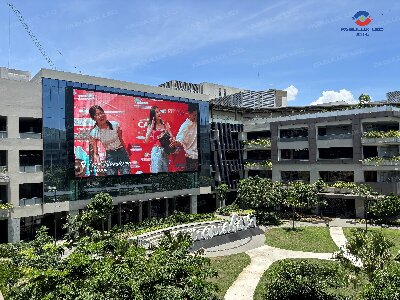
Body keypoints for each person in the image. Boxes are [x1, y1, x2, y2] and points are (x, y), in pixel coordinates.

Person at [89, 105, 131, 176]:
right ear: (94, 118)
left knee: (126, 178)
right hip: (110, 156)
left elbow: (121, 140)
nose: (101, 116)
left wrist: (126, 151)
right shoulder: (94, 133)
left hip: (122, 153)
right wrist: (99, 164)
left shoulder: (115, 125)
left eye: (102, 113)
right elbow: (95, 153)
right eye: (97, 114)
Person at [145, 106, 174, 173]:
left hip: (165, 150)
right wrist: (151, 128)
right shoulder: (150, 125)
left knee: (165, 172)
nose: (159, 113)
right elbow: (146, 141)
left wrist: (170, 138)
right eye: (156, 112)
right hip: (156, 151)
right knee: (156, 172)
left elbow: (171, 137)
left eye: (159, 111)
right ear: (153, 115)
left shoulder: (165, 124)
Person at [171, 103, 198, 171]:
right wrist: (175, 143)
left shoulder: (199, 122)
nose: (196, 117)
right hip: (192, 160)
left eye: (197, 115)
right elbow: (179, 141)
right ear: (189, 113)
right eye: (194, 115)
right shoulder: (185, 126)